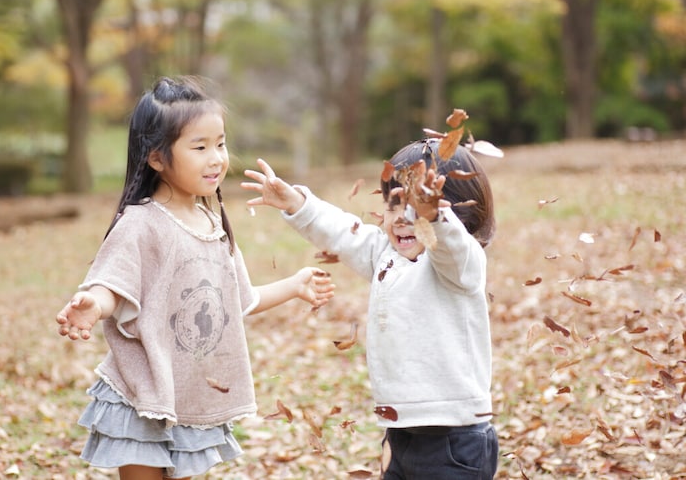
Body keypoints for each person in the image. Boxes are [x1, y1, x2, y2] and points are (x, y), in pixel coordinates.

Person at [55, 76, 334, 480]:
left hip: (192, 394)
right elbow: (114, 285)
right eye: (199, 147)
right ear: (156, 158)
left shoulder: (212, 221)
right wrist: (94, 304)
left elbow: (239, 301)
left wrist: (294, 286)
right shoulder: (141, 224)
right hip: (144, 393)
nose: (217, 158)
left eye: (220, 144)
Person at [242, 139, 499, 479]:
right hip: (399, 432)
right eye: (394, 206)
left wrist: (435, 217)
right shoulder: (386, 257)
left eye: (415, 208)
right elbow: (343, 234)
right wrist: (296, 203)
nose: (401, 219)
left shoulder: (460, 266)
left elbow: (451, 246)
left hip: (453, 439)